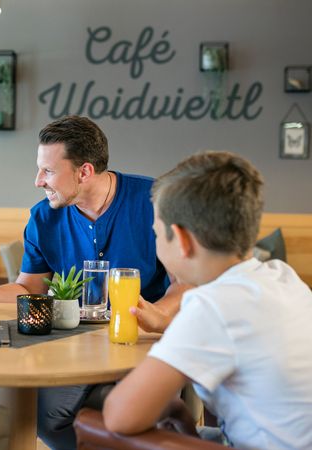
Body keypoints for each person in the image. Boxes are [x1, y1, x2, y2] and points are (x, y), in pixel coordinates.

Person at [0, 115, 188, 449]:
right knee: (42, 413)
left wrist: (155, 315)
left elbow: (184, 282)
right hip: (77, 345)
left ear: (84, 171)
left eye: (47, 171)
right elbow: (31, 289)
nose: (37, 181)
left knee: (145, 415)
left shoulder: (153, 201)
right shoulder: (44, 217)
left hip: (144, 345)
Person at [103, 151, 312, 449]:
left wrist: (172, 407)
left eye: (157, 235)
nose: (156, 243)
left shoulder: (213, 306)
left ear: (183, 241)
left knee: (93, 424)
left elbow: (119, 416)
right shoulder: (283, 277)